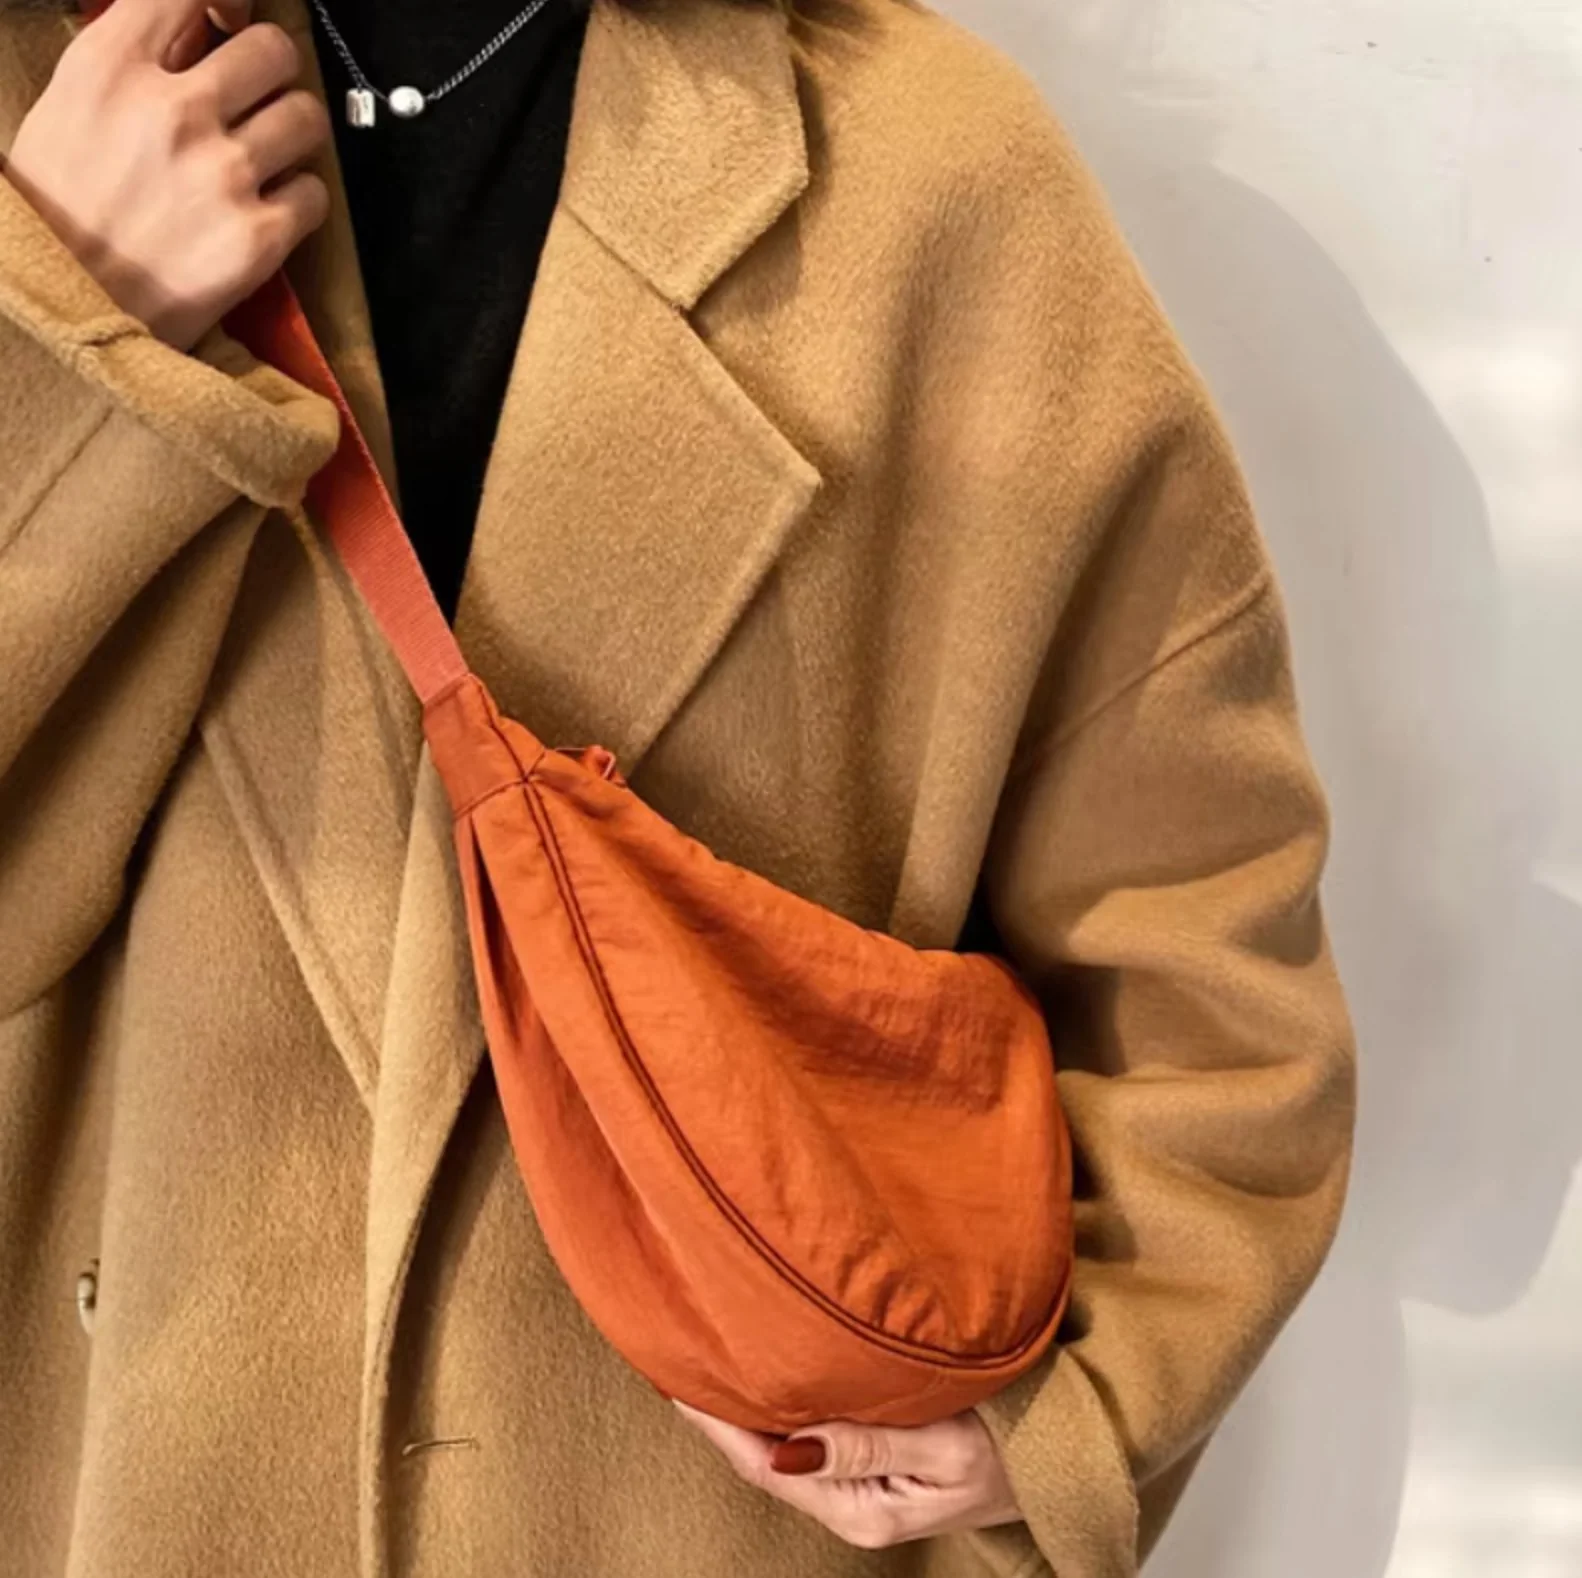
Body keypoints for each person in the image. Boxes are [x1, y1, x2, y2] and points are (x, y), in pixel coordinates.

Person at [0, 0, 1357, 1573]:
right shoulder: (41, 122)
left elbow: (1198, 940)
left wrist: (1061, 1413)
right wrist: (57, 339)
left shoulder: (926, 184)